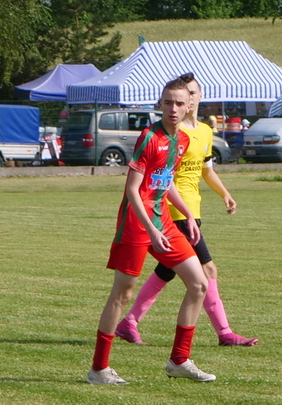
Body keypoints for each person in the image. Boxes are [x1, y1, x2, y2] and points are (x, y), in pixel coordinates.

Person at [87, 75, 216, 385]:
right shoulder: (149, 137)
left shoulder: (182, 140)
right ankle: (99, 370)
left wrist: (186, 213)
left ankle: (179, 361)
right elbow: (133, 190)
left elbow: (165, 181)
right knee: (122, 294)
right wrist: (150, 229)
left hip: (162, 221)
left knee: (199, 284)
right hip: (136, 222)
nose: (173, 108)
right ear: (160, 104)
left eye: (179, 103)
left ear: (189, 106)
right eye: (168, 102)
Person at [116, 74, 257, 347]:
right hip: (172, 211)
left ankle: (129, 322)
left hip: (193, 210)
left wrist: (225, 193)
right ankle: (225, 333)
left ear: (198, 97)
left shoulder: (204, 131)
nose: (187, 99)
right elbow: (161, 176)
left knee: (167, 270)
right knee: (208, 268)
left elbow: (207, 170)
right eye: (182, 95)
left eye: (192, 93)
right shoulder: (172, 133)